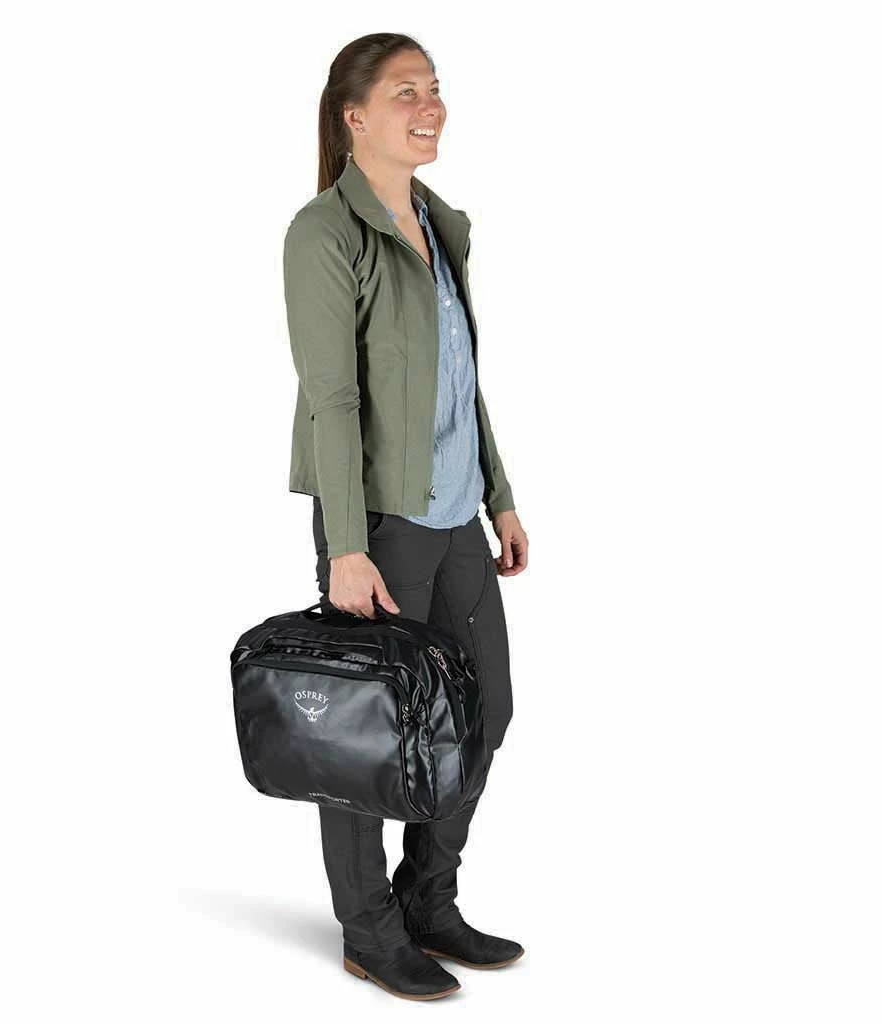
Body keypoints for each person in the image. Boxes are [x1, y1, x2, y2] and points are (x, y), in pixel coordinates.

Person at [282, 33, 529, 1002]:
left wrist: (499, 495)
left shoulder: (437, 224)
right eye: (404, 92)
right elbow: (332, 399)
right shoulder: (324, 233)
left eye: (434, 89)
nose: (430, 107)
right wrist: (346, 546)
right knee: (365, 735)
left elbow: (465, 382)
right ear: (354, 117)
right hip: (379, 522)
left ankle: (429, 900)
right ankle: (368, 929)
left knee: (484, 708)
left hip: (456, 515)